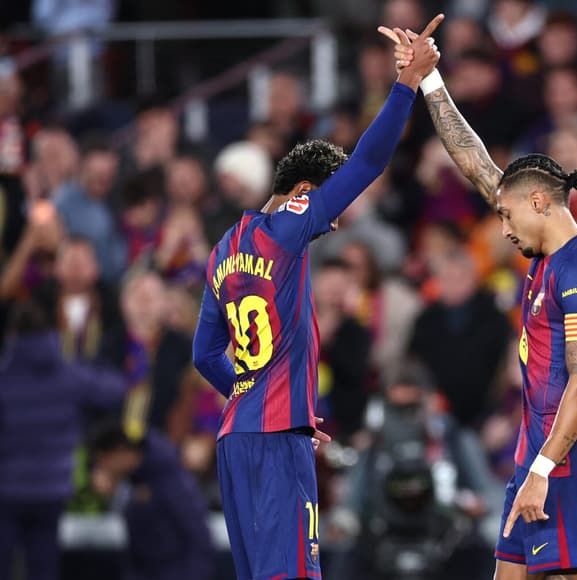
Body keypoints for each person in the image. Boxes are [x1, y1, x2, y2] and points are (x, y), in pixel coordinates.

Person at [191, 16, 442, 580]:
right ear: (304, 194)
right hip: (278, 444)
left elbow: (204, 355)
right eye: (329, 216)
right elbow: (369, 163)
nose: (332, 227)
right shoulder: (289, 228)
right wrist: (406, 86)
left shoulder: (221, 251)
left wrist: (254, 396)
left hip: (236, 440)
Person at [383, 24, 577, 580]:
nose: (503, 228)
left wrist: (542, 467)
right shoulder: (547, 252)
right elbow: (473, 161)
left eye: (509, 215)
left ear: (538, 201)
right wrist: (430, 77)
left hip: (572, 454)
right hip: (537, 443)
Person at [0, 288, 125, 580]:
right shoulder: (69, 374)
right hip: (51, 490)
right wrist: (91, 362)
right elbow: (115, 390)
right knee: (44, 568)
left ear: (12, 333)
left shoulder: (4, 377)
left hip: (6, 491)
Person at [89, 423, 213, 580]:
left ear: (119, 452)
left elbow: (197, 538)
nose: (101, 470)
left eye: (102, 461)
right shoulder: (135, 479)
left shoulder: (169, 478)